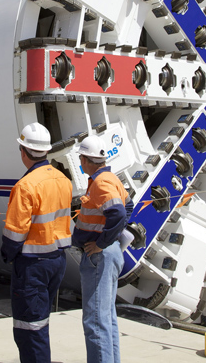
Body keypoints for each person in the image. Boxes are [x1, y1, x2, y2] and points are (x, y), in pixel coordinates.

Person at [1, 123, 72, 363]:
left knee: (29, 329)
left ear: (23, 151)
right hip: (57, 261)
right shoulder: (63, 179)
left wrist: (7, 254)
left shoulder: (26, 186)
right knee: (40, 322)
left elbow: (14, 234)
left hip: (33, 266)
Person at [71, 135, 129, 363]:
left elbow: (119, 213)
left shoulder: (101, 183)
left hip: (99, 257)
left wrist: (101, 242)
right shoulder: (110, 178)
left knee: (95, 320)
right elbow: (128, 205)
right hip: (108, 253)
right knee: (106, 318)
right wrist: (112, 236)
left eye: (81, 158)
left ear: (85, 160)